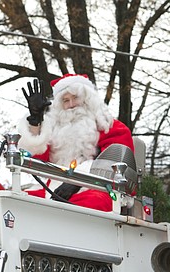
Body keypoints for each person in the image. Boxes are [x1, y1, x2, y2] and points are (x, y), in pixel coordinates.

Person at [17, 74, 134, 212]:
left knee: (91, 204)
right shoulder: (54, 130)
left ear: (88, 99)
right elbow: (35, 159)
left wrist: (76, 181)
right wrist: (35, 122)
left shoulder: (110, 127)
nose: (71, 105)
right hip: (53, 187)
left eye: (75, 98)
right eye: (66, 100)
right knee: (17, 201)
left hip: (97, 187)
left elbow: (115, 164)